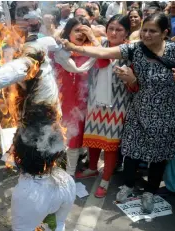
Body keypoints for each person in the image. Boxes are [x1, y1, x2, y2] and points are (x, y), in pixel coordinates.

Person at [60, 13, 175, 214]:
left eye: (153, 31)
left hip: (166, 115)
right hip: (138, 111)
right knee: (131, 152)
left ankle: (150, 191)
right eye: (145, 29)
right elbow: (103, 54)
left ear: (165, 33)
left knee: (159, 156)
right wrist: (74, 48)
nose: (147, 34)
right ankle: (127, 186)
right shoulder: (135, 49)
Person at [0, 36, 75, 231]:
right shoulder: (41, 54)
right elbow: (53, 42)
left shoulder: (30, 62)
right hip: (42, 127)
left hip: (44, 128)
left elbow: (2, 76)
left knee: (39, 161)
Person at [76, 15, 132, 198]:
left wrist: (130, 79)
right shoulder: (100, 43)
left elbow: (105, 61)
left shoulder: (129, 51)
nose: (114, 32)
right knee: (92, 137)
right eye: (111, 28)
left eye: (119, 29)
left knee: (110, 145)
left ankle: (105, 180)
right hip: (95, 100)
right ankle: (92, 168)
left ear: (127, 33)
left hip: (116, 104)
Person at [53, 17, 101, 177]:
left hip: (84, 102)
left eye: (84, 31)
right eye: (77, 30)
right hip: (62, 100)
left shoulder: (91, 51)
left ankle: (70, 173)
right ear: (69, 31)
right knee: (63, 136)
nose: (81, 34)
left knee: (77, 137)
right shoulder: (59, 50)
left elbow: (103, 52)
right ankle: (62, 170)